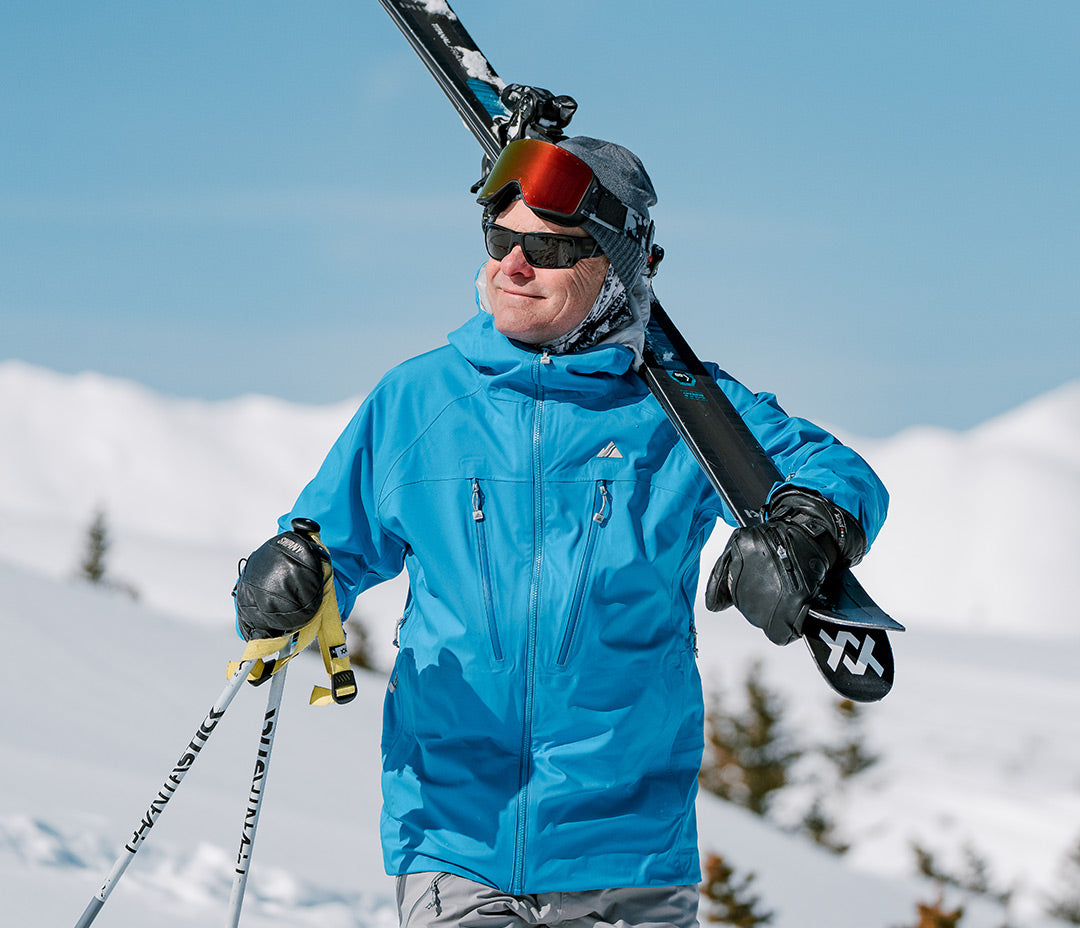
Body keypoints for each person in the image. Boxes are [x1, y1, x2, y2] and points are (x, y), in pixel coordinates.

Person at [234, 134, 888, 928]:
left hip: (630, 853)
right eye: (499, 239)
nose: (512, 265)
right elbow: (322, 552)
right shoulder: (420, 398)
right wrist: (284, 579)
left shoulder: (685, 410)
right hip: (456, 838)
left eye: (545, 248)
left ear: (613, 269)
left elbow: (838, 473)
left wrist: (806, 531)